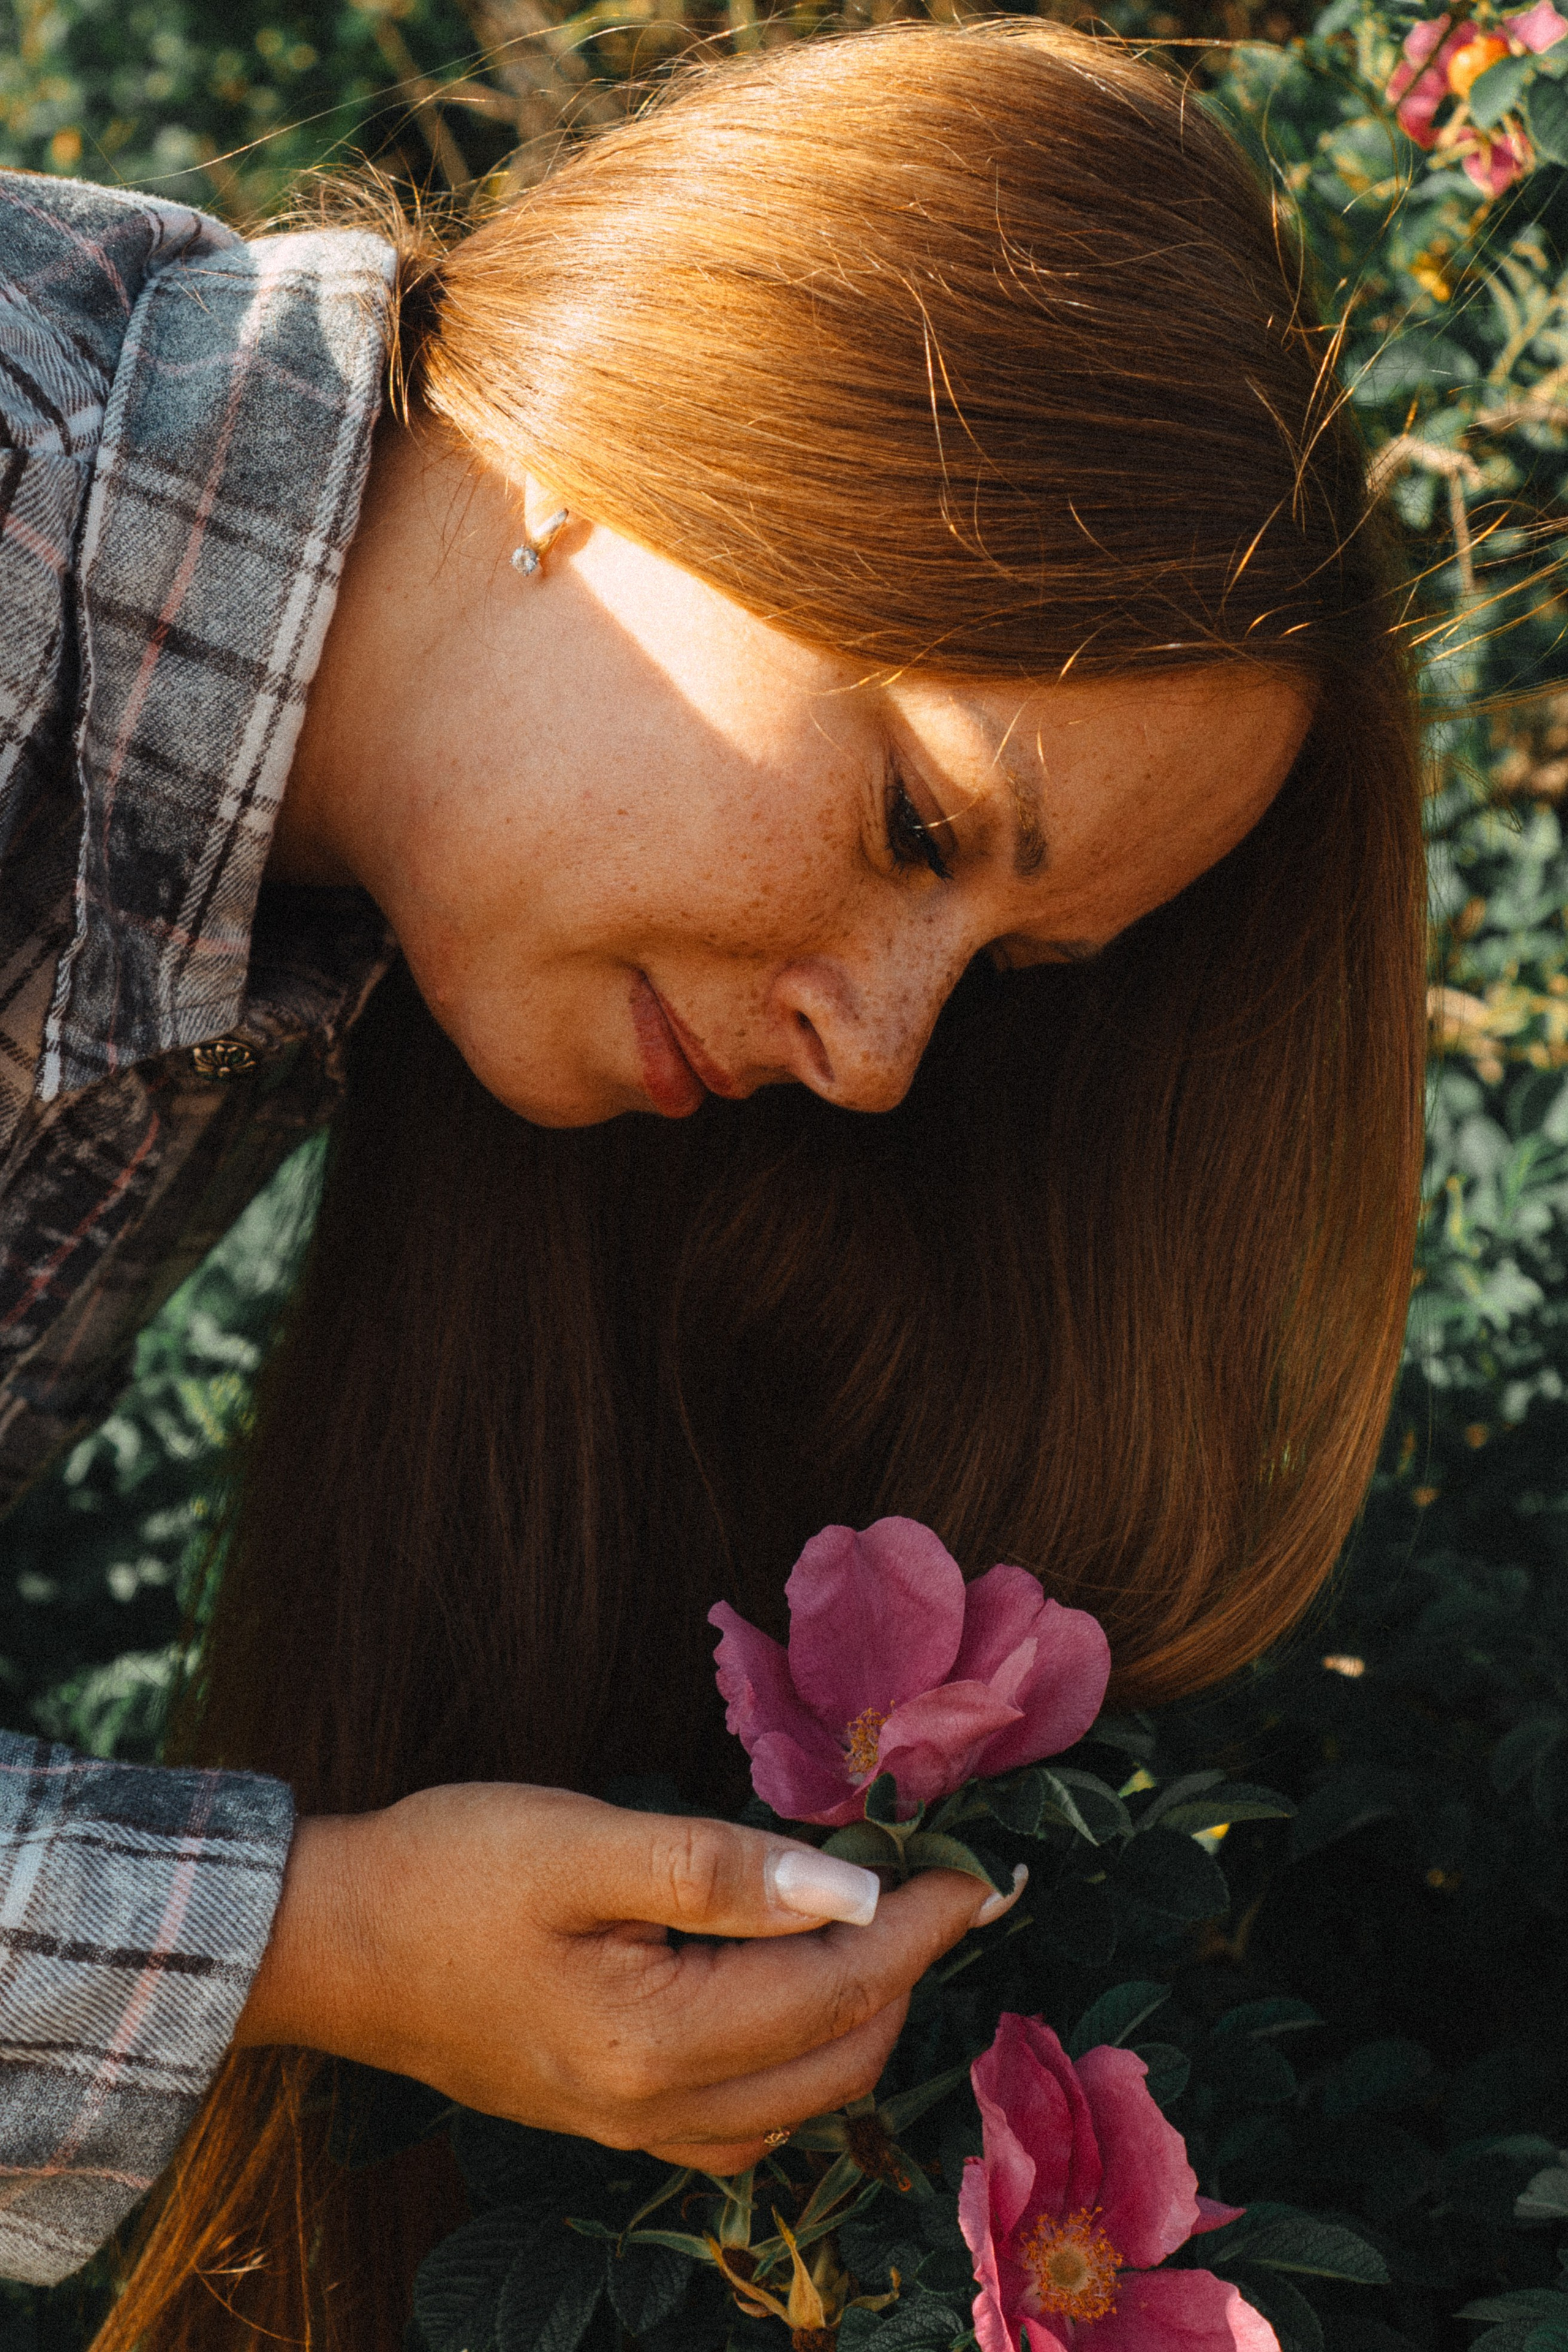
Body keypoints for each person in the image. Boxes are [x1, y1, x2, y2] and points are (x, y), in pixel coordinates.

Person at [0, 15, 1424, 2345]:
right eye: (917, 824)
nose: (871, 1062)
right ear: (662, 411)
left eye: (997, 969)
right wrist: (311, 1935)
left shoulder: (298, 924)